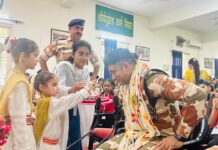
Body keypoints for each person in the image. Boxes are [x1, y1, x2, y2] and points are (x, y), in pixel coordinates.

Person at [97, 48, 206, 150]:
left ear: (125, 66)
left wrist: (179, 137)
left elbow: (198, 94)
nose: (113, 77)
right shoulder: (128, 85)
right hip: (137, 134)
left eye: (113, 71)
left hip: (161, 137)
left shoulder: (153, 81)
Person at [33, 72, 95, 150]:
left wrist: (72, 89)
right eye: (54, 85)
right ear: (42, 87)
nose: (57, 88)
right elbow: (69, 100)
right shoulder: (50, 103)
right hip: (49, 146)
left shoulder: (42, 101)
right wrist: (86, 90)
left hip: (47, 143)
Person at [54, 40, 94, 149]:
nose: (84, 58)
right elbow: (56, 89)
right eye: (80, 53)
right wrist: (71, 89)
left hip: (77, 109)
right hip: (62, 108)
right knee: (63, 140)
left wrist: (90, 92)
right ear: (73, 54)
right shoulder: (64, 66)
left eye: (87, 54)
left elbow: (85, 90)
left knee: (77, 139)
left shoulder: (86, 70)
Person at [0, 38, 39, 150]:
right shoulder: (19, 82)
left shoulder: (12, 75)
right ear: (23, 56)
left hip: (13, 132)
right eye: (35, 55)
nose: (37, 59)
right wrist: (23, 146)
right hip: (20, 136)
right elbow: (18, 118)